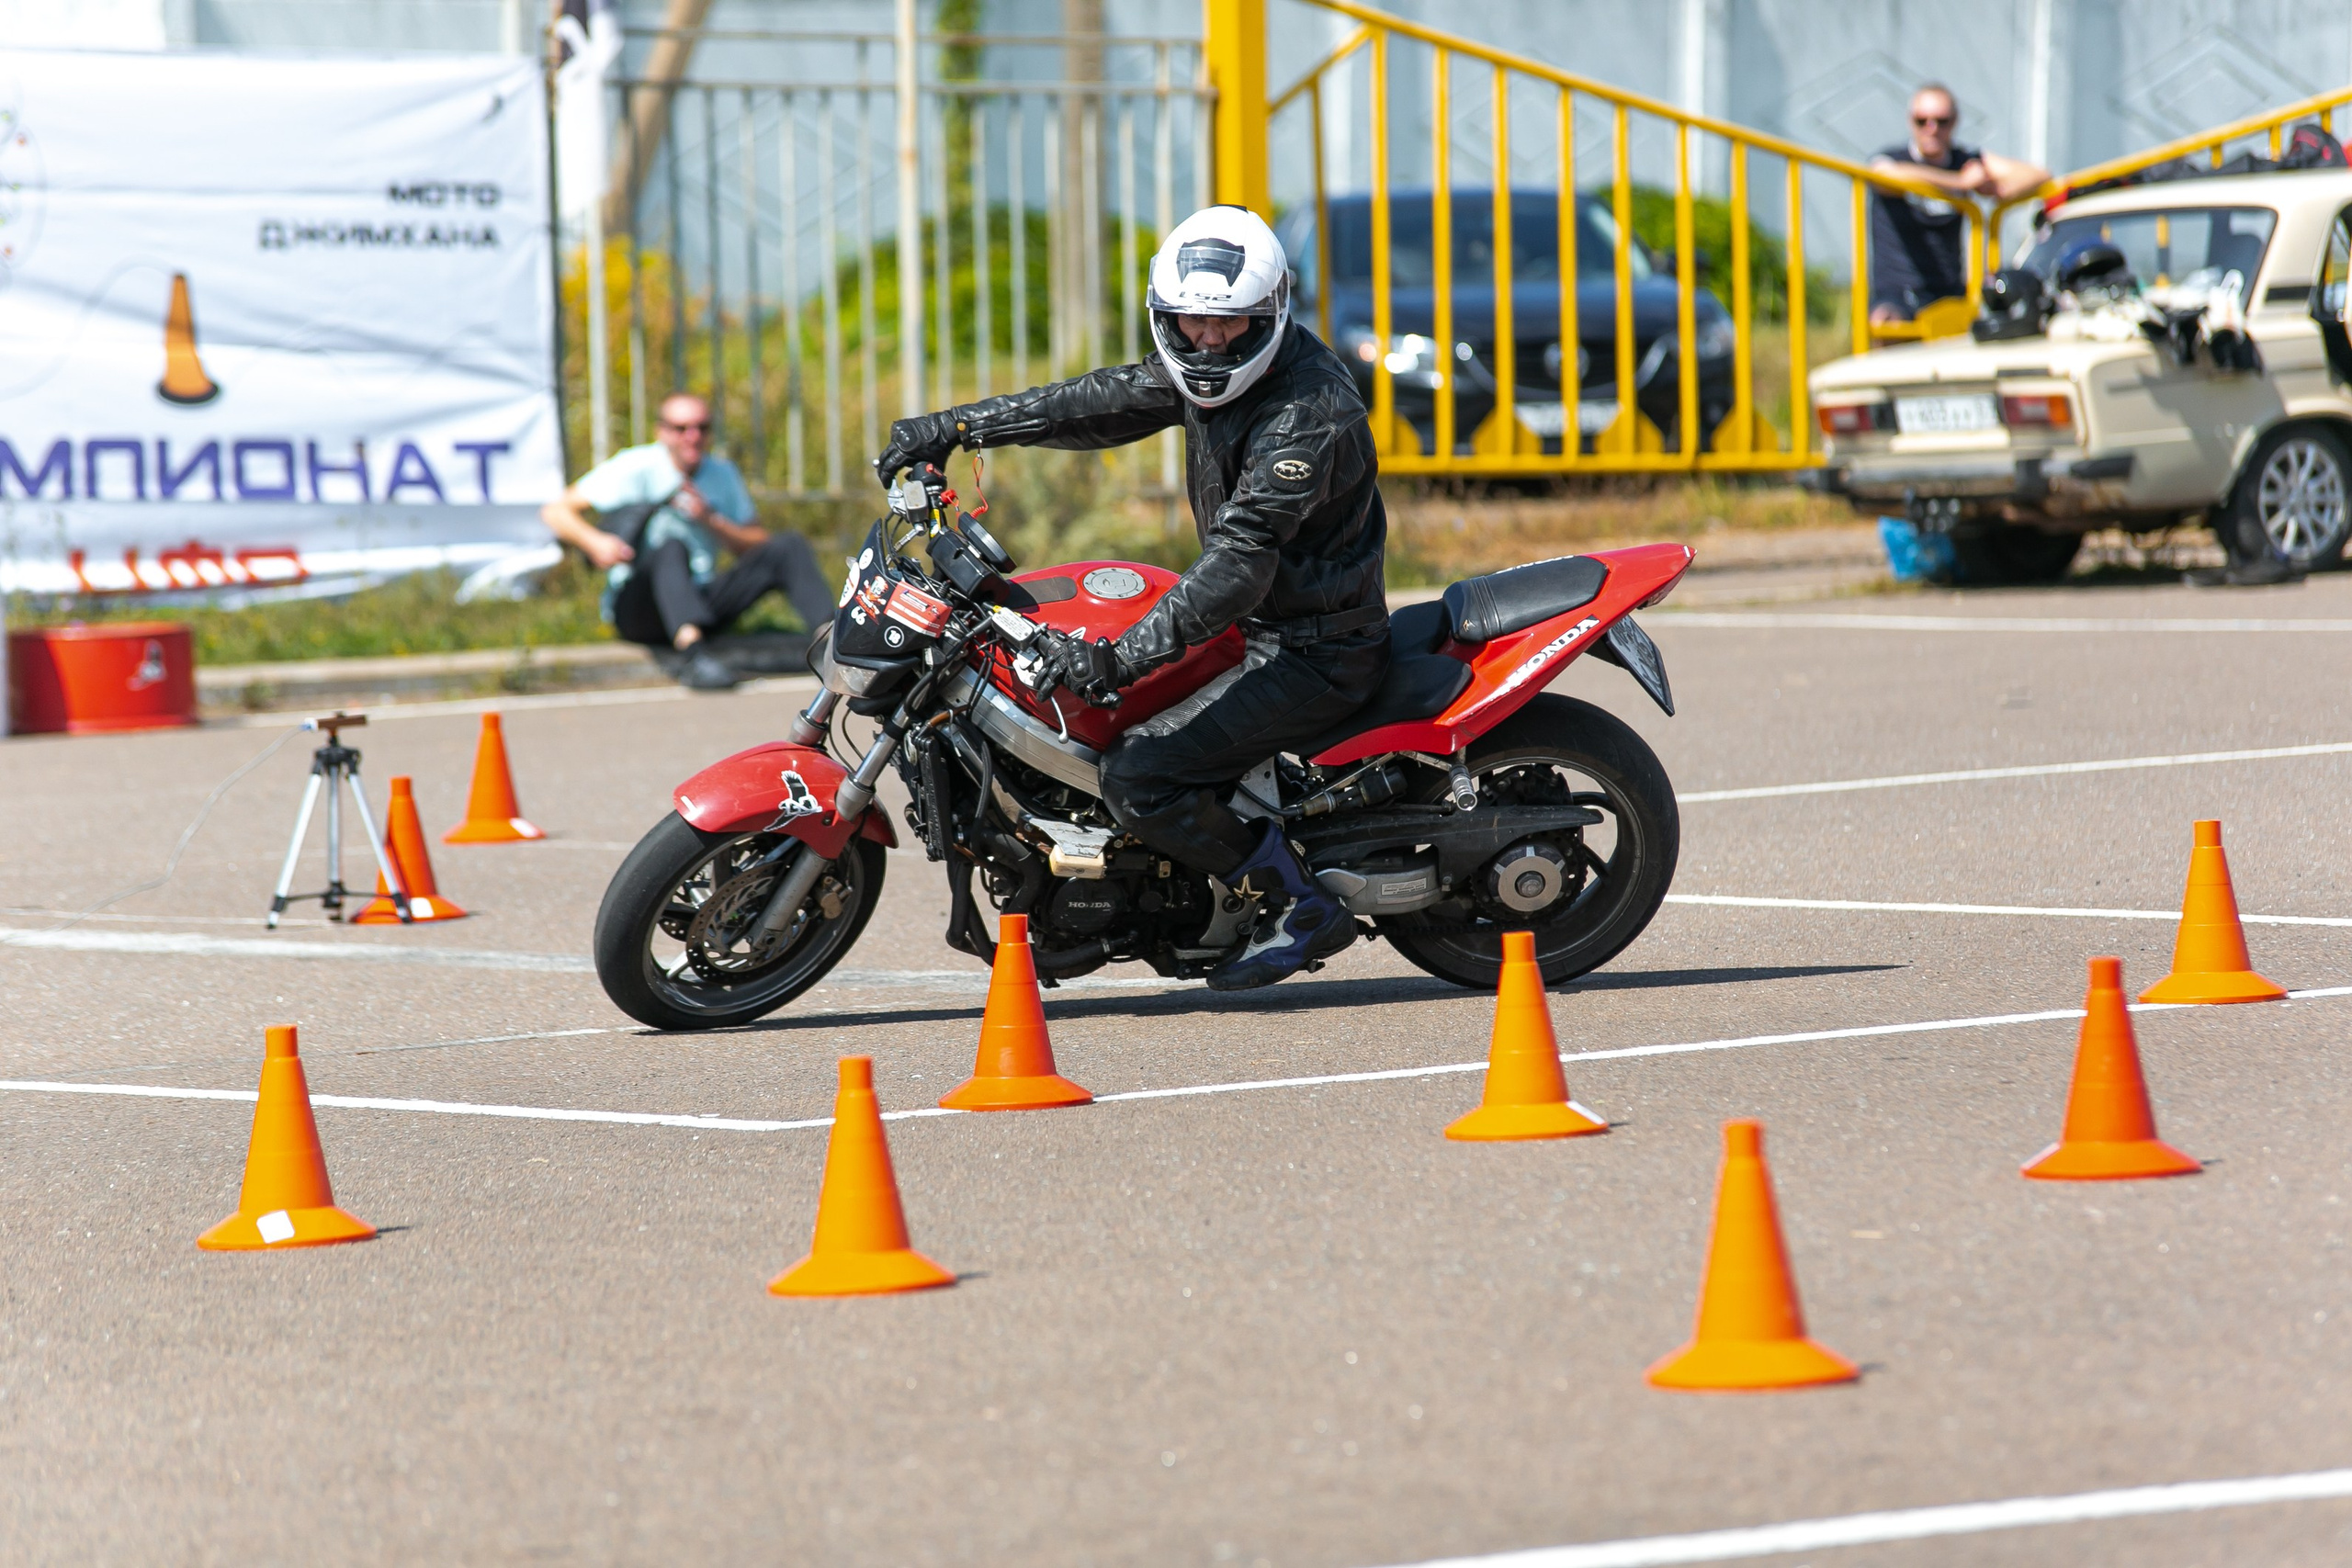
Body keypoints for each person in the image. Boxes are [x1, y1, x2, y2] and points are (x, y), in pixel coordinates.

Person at [875, 206, 1389, 993]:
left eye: (1230, 324)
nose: (1207, 342)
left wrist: (1117, 658)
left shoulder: (1306, 413)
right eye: (1191, 322)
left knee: (1140, 773)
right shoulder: (1208, 370)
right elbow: (1098, 401)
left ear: (1271, 315)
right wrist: (960, 425)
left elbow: (1239, 563)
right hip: (1254, 626)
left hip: (1315, 648)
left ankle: (1299, 903)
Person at [540, 392, 839, 690]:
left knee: (789, 546)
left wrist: (711, 519)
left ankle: (832, 642)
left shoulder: (721, 474)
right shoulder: (636, 466)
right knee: (672, 547)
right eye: (681, 429)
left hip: (700, 599)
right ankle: (693, 655)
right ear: (661, 432)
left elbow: (757, 542)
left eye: (702, 428)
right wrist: (596, 542)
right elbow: (555, 512)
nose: (692, 437)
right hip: (640, 607)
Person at [1868, 85, 2047, 324]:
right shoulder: (1894, 159)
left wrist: (1997, 189)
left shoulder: (1965, 160)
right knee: (1884, 323)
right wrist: (1959, 182)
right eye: (1922, 121)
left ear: (1954, 122)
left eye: (1941, 121)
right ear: (1911, 121)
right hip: (1898, 292)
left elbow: (2037, 175)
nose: (1932, 129)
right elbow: (1881, 176)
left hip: (1948, 293)